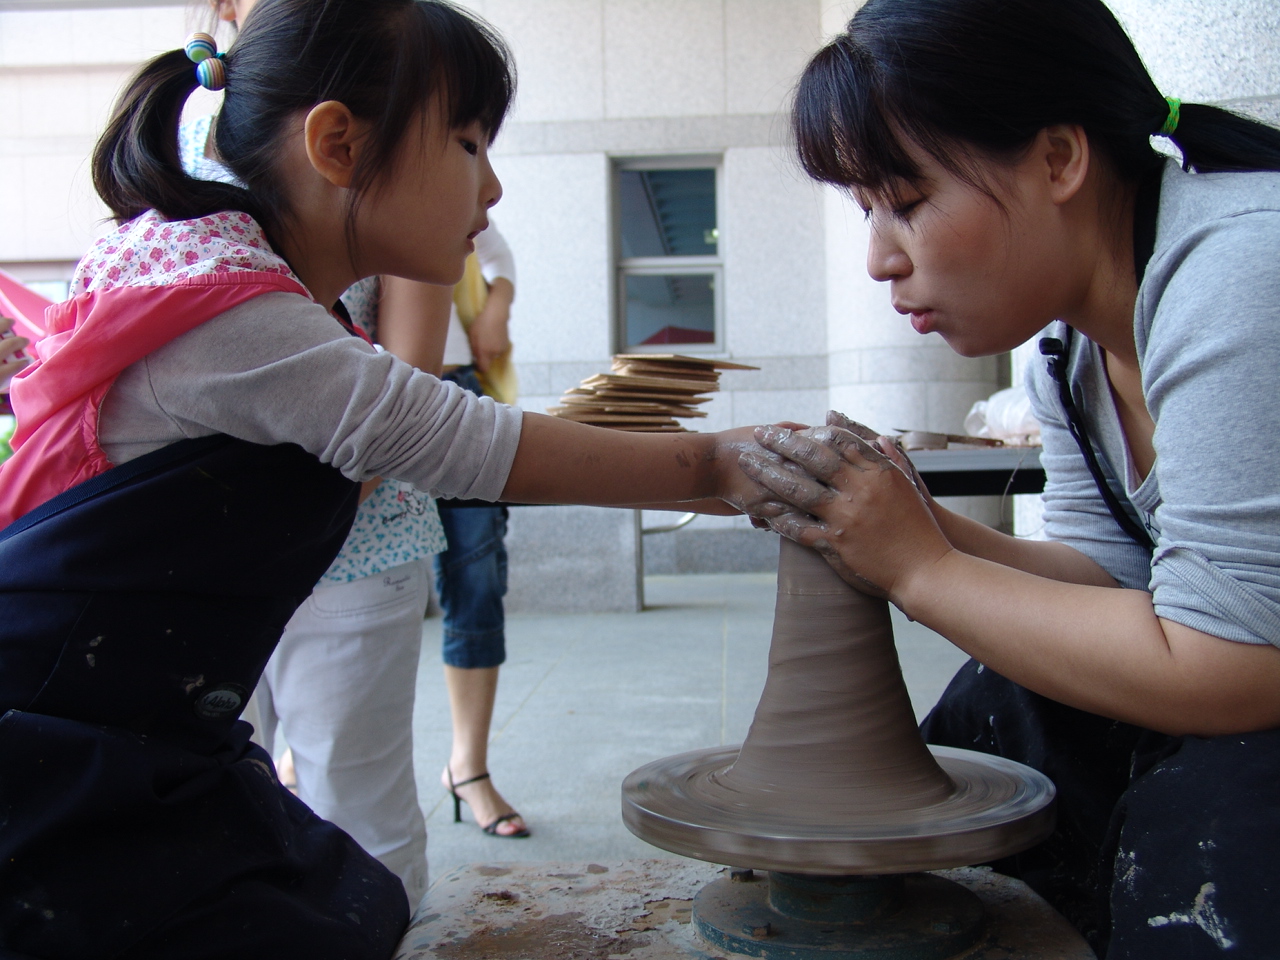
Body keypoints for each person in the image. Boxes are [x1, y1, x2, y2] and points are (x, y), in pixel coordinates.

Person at [0, 2, 768, 957]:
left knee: (346, 893)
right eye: (467, 143)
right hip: (54, 752)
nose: (492, 185)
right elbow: (463, 442)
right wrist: (728, 464)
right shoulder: (230, 313)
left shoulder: (232, 273)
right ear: (338, 144)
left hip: (146, 726)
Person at [739, 1, 1280, 958]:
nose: (879, 259)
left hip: (1250, 684)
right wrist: (897, 521)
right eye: (866, 212)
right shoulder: (1068, 356)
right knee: (994, 719)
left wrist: (918, 569)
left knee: (1211, 832)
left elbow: (1234, 667)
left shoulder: (1240, 271)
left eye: (906, 201)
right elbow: (1106, 581)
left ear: (1059, 159)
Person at [180, 1, 455, 902]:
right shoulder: (183, 134)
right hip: (202, 547)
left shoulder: (392, 112)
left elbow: (411, 386)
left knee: (358, 806)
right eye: (467, 147)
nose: (485, 187)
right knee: (204, 805)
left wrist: (300, 507)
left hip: (356, 534)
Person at [433, 222, 529, 838]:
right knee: (342, 586)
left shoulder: (430, 184)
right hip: (355, 391)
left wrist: (496, 309)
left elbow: (495, 249)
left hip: (453, 392)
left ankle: (467, 766)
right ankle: (302, 753)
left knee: (478, 579)